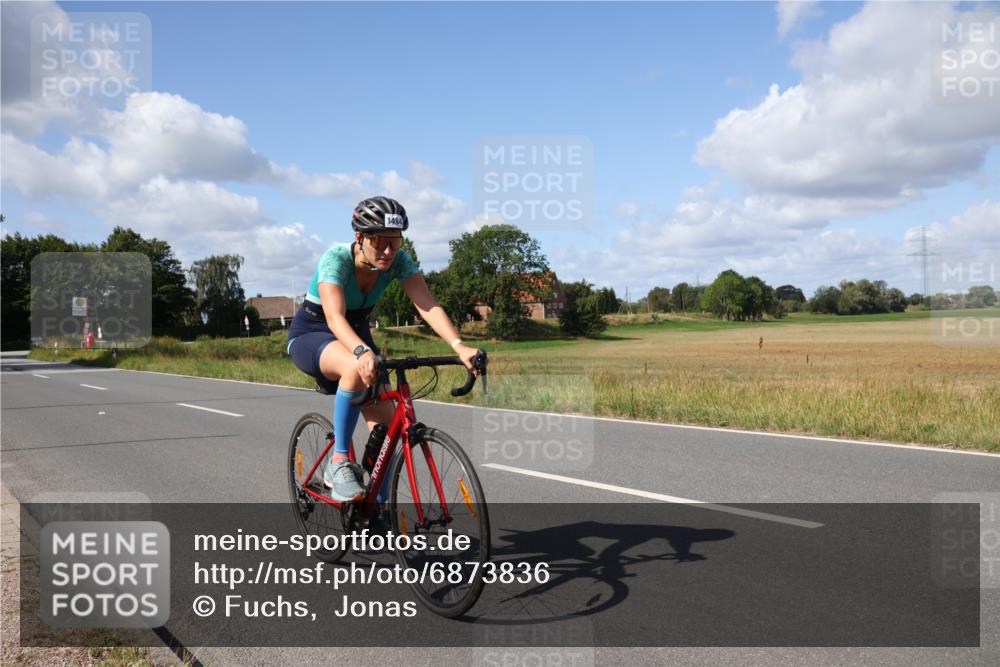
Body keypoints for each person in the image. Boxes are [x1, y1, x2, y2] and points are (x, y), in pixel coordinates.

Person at [287, 196, 483, 502]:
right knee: (354, 367)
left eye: (396, 242)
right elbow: (335, 318)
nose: (389, 251)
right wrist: (360, 352)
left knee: (388, 434)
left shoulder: (398, 262)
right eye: (380, 242)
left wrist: (459, 346)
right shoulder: (335, 260)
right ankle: (338, 463)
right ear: (360, 237)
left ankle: (374, 509)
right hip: (314, 333)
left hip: (358, 336)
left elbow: (427, 304)